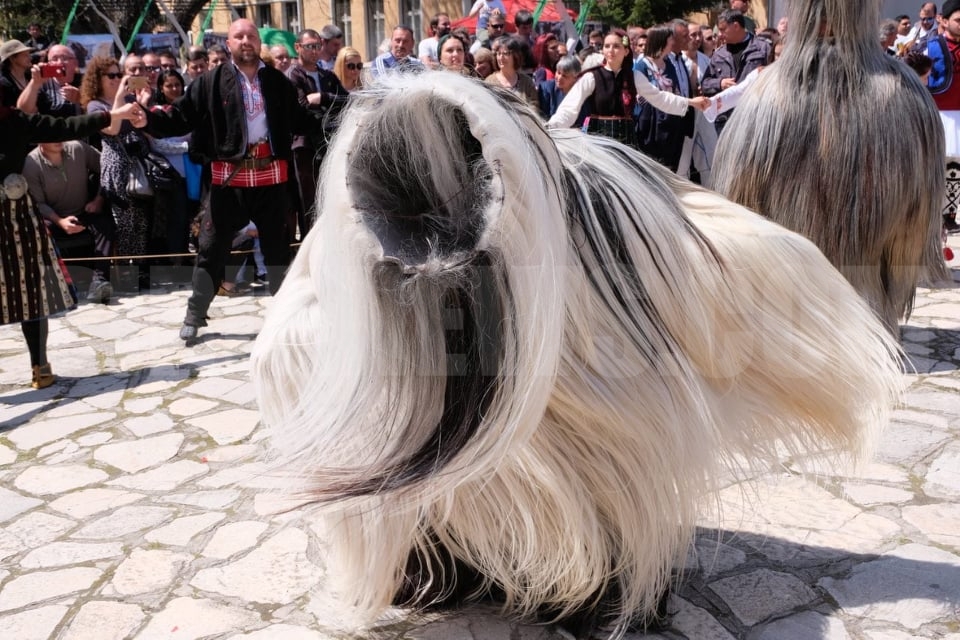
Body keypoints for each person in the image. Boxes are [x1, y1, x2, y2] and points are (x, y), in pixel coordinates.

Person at [142, 19, 328, 343]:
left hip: (270, 179)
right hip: (228, 182)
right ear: (228, 44)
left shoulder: (277, 82)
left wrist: (337, 117)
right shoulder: (210, 82)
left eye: (251, 36)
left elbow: (301, 120)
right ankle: (195, 312)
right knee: (211, 250)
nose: (246, 41)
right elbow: (180, 116)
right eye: (238, 36)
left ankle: (285, 317)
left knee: (277, 252)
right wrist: (146, 118)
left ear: (259, 44)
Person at [0, 91, 143, 388]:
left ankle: (39, 365)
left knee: (32, 290)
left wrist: (111, 116)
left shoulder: (13, 120)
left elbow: (66, 127)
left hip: (16, 215)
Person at [549, 29, 708, 151]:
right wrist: (552, 127)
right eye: (607, 46)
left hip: (626, 143)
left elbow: (659, 97)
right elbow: (570, 107)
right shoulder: (592, 77)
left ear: (626, 51)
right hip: (597, 143)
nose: (610, 50)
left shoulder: (634, 77)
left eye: (616, 46)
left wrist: (690, 102)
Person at [81, 57, 155, 281]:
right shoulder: (95, 105)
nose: (116, 79)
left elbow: (140, 124)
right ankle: (125, 271)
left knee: (140, 220)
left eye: (117, 74)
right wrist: (121, 98)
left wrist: (144, 102)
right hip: (116, 167)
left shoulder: (130, 97)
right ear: (98, 79)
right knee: (123, 220)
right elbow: (111, 129)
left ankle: (140, 268)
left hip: (137, 164)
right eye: (111, 76)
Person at [23, 139, 115, 303]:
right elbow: (38, 203)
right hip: (54, 217)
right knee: (40, 229)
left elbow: (107, 169)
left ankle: (100, 281)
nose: (58, 139)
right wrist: (60, 221)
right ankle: (56, 285)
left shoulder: (78, 148)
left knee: (105, 224)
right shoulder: (31, 164)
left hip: (84, 211)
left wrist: (98, 199)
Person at [287, 29, 349, 241]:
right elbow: (302, 107)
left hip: (329, 143)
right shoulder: (293, 75)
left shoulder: (327, 76)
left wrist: (322, 97)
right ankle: (310, 246)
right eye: (309, 46)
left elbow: (347, 101)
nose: (314, 51)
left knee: (333, 196)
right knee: (309, 201)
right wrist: (326, 105)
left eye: (317, 46)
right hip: (304, 146)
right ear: (298, 48)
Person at [701, 9, 772, 134]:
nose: (720, 34)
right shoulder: (719, 54)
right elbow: (705, 84)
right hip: (726, 122)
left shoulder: (763, 48)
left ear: (736, 26)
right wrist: (720, 83)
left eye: (723, 30)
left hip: (755, 119)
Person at [16, 44, 82, 117]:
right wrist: (34, 83)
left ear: (75, 62)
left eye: (65, 58)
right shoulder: (42, 83)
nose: (60, 62)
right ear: (49, 63)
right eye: (54, 59)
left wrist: (80, 98)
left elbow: (95, 108)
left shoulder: (86, 81)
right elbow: (23, 110)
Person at [486, 36, 538, 108]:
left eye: (505, 54)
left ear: (515, 56)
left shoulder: (527, 82)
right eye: (499, 54)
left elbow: (534, 105)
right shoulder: (489, 82)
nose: (501, 58)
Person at [1, 40, 35, 107]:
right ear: (12, 59)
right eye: (25, 55)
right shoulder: (3, 84)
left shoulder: (31, 77)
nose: (30, 58)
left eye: (29, 54)